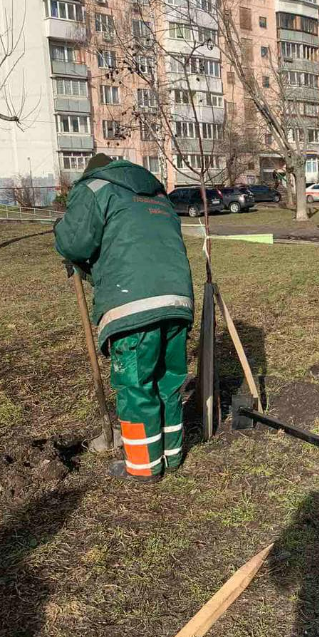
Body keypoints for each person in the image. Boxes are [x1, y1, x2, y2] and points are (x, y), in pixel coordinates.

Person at [54, 154, 194, 484]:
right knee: (168, 381)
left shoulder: (95, 188)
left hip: (133, 306)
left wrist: (60, 231)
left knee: (135, 386)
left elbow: (73, 243)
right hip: (177, 300)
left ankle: (144, 467)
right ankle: (172, 456)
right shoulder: (157, 194)